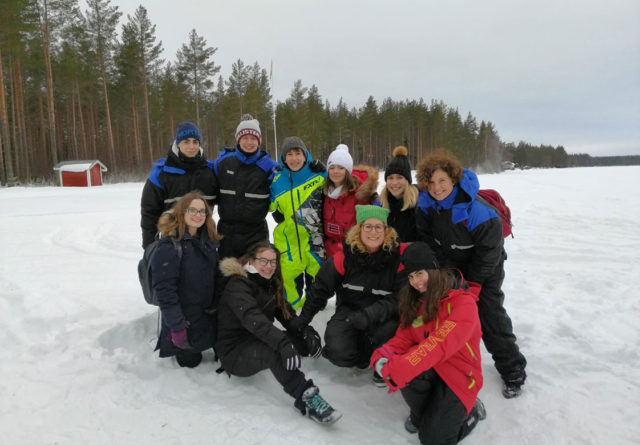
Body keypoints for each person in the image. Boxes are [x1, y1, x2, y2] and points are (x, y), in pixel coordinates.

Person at [415, 149, 527, 398]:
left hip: (486, 265)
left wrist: (474, 283)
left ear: (453, 179)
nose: (437, 187)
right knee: (445, 312)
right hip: (452, 265)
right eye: (431, 182)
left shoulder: (478, 210)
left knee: (488, 313)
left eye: (442, 180)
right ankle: (452, 365)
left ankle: (513, 370)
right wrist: (448, 272)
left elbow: (490, 252)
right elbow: (428, 240)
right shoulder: (426, 206)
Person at [371, 242, 486, 444]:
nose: (415, 282)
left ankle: (472, 411)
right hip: (431, 368)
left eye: (420, 273)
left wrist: (401, 367)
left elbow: (439, 343)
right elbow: (404, 337)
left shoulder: (463, 304)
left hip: (460, 375)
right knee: (406, 366)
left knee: (433, 439)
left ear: (434, 270)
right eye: (411, 276)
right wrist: (382, 355)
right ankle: (421, 414)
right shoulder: (418, 303)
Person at [216, 242, 342, 424]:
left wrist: (305, 331)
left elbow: (287, 315)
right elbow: (254, 320)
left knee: (298, 342)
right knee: (275, 351)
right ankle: (307, 398)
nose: (269, 266)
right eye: (263, 261)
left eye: (273, 262)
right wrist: (282, 343)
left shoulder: (269, 283)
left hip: (257, 338)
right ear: (251, 260)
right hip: (235, 352)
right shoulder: (238, 285)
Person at [291, 205, 407, 380]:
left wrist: (369, 315)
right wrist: (303, 320)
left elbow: (401, 297)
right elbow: (320, 290)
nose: (373, 232)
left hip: (385, 316)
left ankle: (380, 360)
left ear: (386, 230)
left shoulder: (397, 258)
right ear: (359, 229)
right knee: (338, 350)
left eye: (378, 227)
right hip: (350, 311)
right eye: (367, 226)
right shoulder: (344, 257)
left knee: (388, 335)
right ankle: (360, 354)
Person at [151, 192, 221, 368]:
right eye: (193, 210)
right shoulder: (169, 246)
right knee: (191, 362)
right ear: (182, 212)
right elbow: (165, 292)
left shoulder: (208, 240)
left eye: (202, 211)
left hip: (207, 316)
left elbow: (216, 276)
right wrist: (177, 327)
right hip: (185, 321)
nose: (198, 215)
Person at [270, 136, 326, 309]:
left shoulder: (319, 175)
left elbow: (343, 185)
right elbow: (270, 204)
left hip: (315, 243)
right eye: (290, 154)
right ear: (283, 158)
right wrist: (276, 212)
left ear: (305, 155)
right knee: (290, 301)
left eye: (298, 153)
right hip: (289, 244)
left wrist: (325, 170)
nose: (294, 158)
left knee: (317, 300)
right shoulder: (277, 181)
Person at [140, 122, 217, 249]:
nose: (191, 146)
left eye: (195, 142)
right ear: (178, 143)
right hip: (171, 243)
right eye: (186, 142)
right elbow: (149, 213)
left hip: (203, 242)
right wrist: (150, 247)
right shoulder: (161, 173)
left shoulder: (210, 171)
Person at [213, 114, 279, 259]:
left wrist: (313, 168)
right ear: (238, 139)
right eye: (245, 138)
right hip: (226, 235)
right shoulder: (223, 163)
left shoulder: (270, 167)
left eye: (253, 138)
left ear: (259, 141)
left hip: (256, 235)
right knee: (227, 278)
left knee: (257, 278)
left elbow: (294, 177)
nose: (249, 142)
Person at [323, 144, 379, 258]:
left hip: (352, 254)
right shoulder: (324, 193)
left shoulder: (359, 196)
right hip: (329, 255)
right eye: (332, 167)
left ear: (347, 171)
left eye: (341, 168)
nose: (335, 171)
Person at [377, 145, 420, 242]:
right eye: (390, 178)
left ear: (407, 180)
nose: (394, 183)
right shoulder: (381, 204)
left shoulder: (419, 205)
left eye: (400, 177)